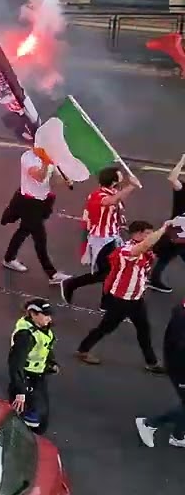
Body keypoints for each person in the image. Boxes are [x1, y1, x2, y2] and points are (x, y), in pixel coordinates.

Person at [75, 220, 170, 374]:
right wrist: (163, 228)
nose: (150, 236)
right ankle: (83, 349)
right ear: (138, 234)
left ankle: (151, 362)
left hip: (136, 298)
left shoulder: (143, 250)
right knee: (106, 327)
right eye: (148, 233)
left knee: (143, 329)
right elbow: (142, 248)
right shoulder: (128, 250)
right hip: (122, 299)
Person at [61, 166, 137, 303]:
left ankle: (105, 300)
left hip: (112, 237)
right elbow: (111, 201)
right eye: (119, 176)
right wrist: (131, 186)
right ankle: (72, 284)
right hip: (101, 240)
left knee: (111, 270)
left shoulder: (113, 191)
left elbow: (117, 199)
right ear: (113, 181)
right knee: (106, 272)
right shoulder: (99, 195)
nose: (122, 178)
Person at [1, 146, 71, 283]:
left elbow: (52, 180)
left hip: (42, 202)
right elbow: (39, 177)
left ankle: (8, 259)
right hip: (29, 203)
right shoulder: (28, 158)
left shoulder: (51, 155)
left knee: (24, 230)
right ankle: (52, 274)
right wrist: (46, 161)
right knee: (40, 238)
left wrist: (65, 180)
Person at [135, 297, 185, 448]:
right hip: (180, 368)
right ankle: (149, 424)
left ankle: (178, 434)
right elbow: (180, 347)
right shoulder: (182, 321)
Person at [8, 299, 58, 433]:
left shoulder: (42, 328)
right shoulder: (25, 336)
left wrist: (50, 363)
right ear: (33, 314)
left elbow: (45, 347)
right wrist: (20, 391)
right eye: (45, 315)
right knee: (32, 415)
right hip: (27, 377)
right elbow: (15, 364)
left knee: (41, 412)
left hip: (38, 374)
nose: (49, 318)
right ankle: (22, 436)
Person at [149, 152, 185, 293]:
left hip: (180, 235)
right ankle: (154, 280)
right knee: (166, 257)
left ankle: (154, 279)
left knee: (168, 256)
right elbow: (172, 178)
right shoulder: (182, 189)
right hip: (176, 233)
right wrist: (182, 160)